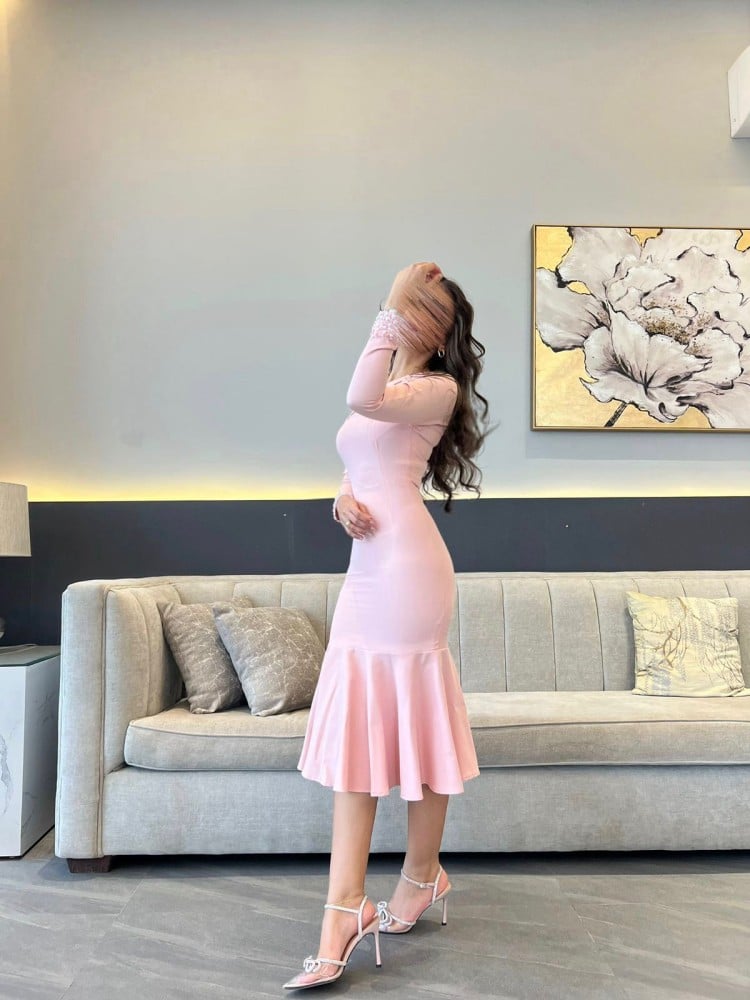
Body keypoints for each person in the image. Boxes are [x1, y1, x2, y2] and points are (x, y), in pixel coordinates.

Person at [283, 262, 490, 991]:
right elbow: (363, 457)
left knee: (413, 723)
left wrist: (394, 303)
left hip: (407, 570)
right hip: (368, 567)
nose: (399, 318)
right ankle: (374, 895)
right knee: (361, 732)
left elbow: (359, 398)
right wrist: (341, 499)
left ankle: (390, 890)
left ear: (432, 327)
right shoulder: (398, 386)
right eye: (398, 306)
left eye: (412, 310)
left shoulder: (436, 387)